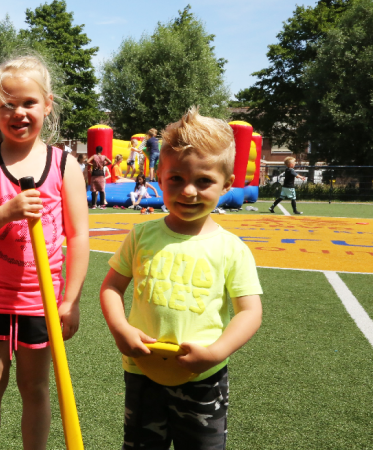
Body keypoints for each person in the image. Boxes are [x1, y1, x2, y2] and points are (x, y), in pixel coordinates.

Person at [100, 107, 263, 450]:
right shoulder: (141, 235)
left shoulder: (231, 248)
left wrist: (215, 353)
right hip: (143, 370)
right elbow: (112, 287)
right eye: (176, 178)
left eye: (204, 181)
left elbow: (250, 312)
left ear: (227, 184)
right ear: (159, 177)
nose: (188, 191)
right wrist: (121, 329)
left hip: (203, 376)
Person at [0, 54, 90, 450]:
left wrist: (71, 300)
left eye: (29, 103)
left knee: (35, 387)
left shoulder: (64, 165)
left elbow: (79, 236)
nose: (19, 113)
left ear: (47, 105)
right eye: (7, 105)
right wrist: (6, 212)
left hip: (41, 301)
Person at [88, 145, 111, 209]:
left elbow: (87, 161)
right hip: (101, 174)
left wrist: (93, 164)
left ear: (96, 150)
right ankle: (102, 205)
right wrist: (104, 165)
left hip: (94, 174)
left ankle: (93, 205)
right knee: (101, 189)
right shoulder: (104, 157)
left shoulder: (94, 156)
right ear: (101, 151)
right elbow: (110, 162)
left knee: (93, 190)